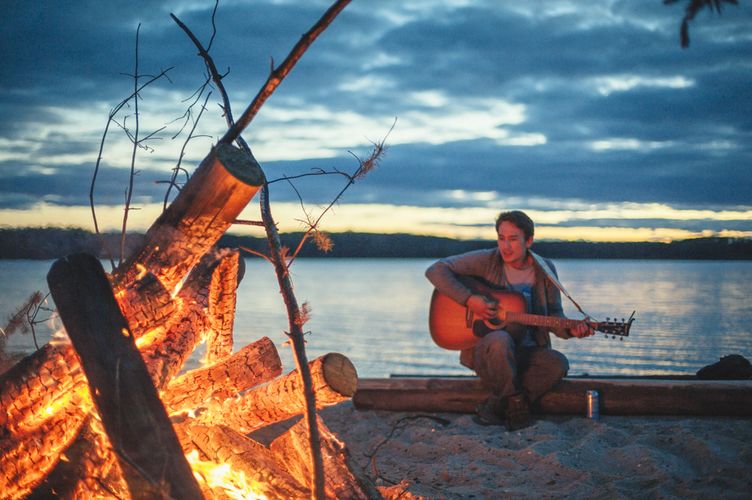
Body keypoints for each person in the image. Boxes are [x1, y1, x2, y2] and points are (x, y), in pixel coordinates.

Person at [425, 210, 593, 430]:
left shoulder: (545, 270)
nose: (505, 246)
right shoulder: (487, 260)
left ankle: (499, 404)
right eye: (501, 238)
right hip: (489, 353)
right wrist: (469, 300)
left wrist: (572, 330)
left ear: (529, 241)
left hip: (527, 352)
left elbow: (554, 317)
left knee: (557, 364)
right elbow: (435, 270)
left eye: (513, 239)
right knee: (500, 339)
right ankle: (516, 409)